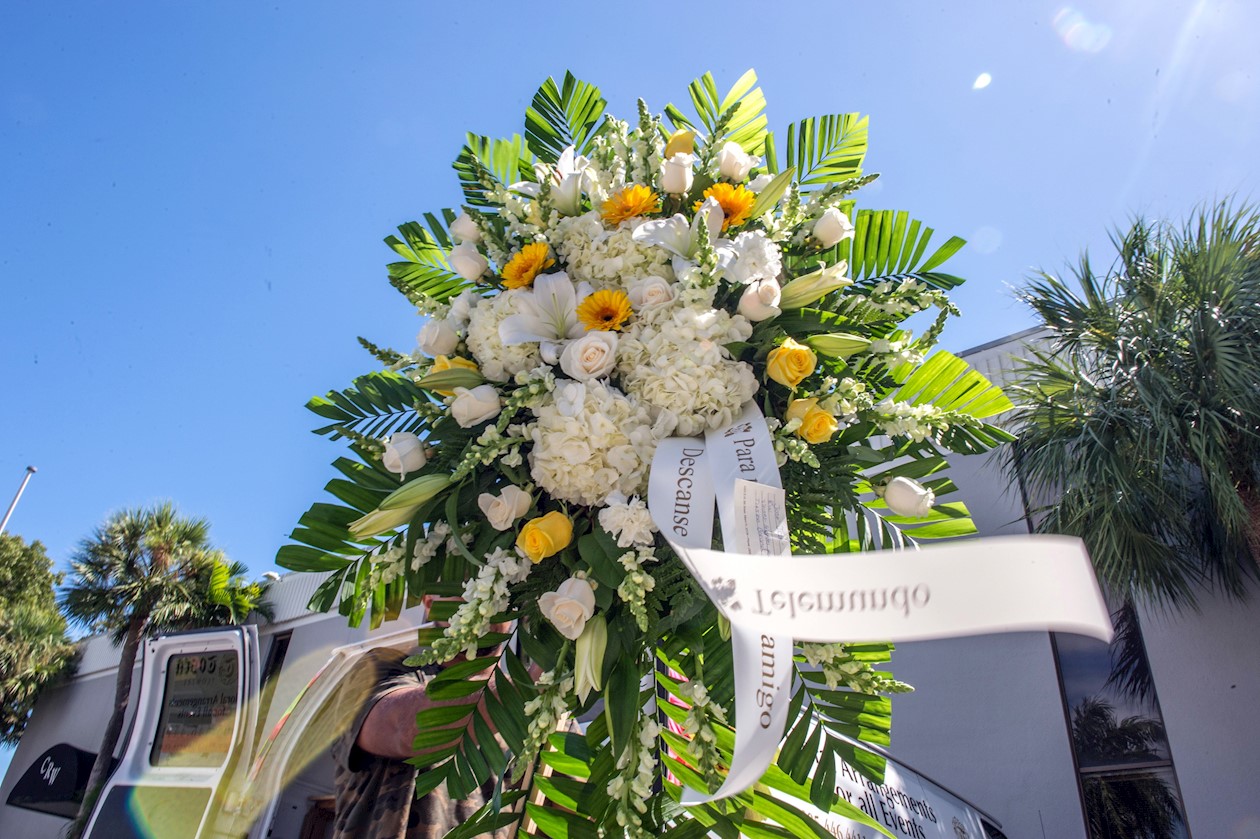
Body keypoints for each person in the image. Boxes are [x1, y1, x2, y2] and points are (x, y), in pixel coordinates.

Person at [329, 607, 523, 839]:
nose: (485, 600)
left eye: (506, 589)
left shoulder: (543, 709)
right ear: (430, 600)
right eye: (463, 581)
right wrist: (529, 688)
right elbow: (401, 728)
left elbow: (564, 813)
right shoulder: (382, 666)